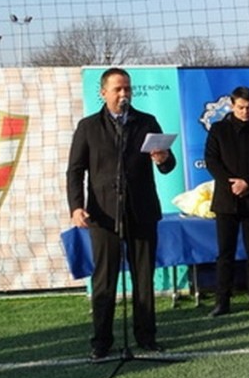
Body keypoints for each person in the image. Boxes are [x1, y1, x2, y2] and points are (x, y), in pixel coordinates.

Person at [67, 67, 176, 361]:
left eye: (127, 88)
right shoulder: (88, 127)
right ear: (103, 93)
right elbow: (75, 170)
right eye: (118, 89)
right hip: (103, 214)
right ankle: (101, 341)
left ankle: (146, 337)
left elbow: (168, 165)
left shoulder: (146, 121)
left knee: (143, 277)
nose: (124, 94)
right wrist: (77, 206)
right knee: (105, 279)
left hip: (141, 211)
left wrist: (163, 159)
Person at [204, 86, 249, 317]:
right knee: (225, 252)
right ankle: (222, 301)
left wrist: (247, 182)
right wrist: (231, 183)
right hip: (226, 200)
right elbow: (211, 160)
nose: (245, 111)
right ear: (232, 106)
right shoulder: (218, 130)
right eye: (241, 107)